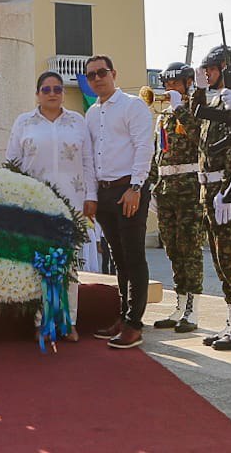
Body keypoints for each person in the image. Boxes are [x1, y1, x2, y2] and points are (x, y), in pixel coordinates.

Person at [4, 71, 97, 341]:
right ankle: (41, 322)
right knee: (41, 265)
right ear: (37, 94)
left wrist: (91, 196)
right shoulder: (24, 122)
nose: (53, 93)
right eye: (46, 89)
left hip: (72, 202)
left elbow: (89, 162)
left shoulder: (77, 122)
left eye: (57, 89)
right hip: (36, 203)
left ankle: (68, 322)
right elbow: (12, 163)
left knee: (68, 264)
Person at [186, 45, 231, 351]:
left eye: (211, 69)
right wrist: (198, 93)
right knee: (220, 260)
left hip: (229, 191)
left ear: (226, 68)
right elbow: (192, 125)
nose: (206, 74)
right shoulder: (215, 100)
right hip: (210, 191)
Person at [84, 55, 154, 350]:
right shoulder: (91, 114)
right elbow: (89, 159)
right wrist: (91, 195)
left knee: (133, 256)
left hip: (129, 189)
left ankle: (134, 325)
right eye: (91, 75)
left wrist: (136, 186)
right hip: (104, 193)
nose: (97, 78)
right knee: (118, 258)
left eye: (101, 72)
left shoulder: (132, 105)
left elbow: (144, 146)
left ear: (113, 73)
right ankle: (124, 317)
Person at [148, 62, 204, 334]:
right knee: (172, 250)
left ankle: (192, 310)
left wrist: (181, 107)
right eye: (167, 83)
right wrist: (150, 186)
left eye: (175, 83)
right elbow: (158, 153)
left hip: (190, 188)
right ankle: (179, 304)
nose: (170, 88)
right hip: (167, 188)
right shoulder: (164, 116)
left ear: (188, 83)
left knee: (190, 250)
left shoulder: (195, 109)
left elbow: (198, 138)